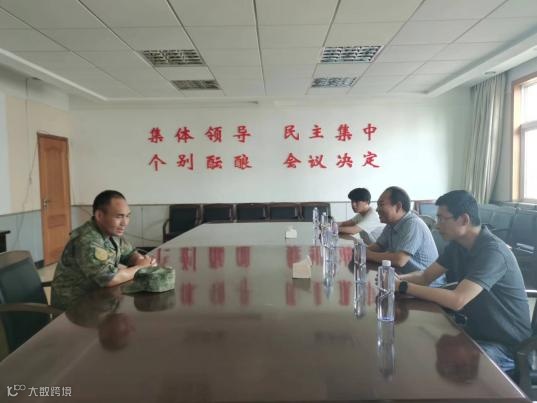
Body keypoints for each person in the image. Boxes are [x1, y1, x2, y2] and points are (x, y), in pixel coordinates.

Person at [395, 190, 531, 373]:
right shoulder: (457, 246)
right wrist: (395, 279)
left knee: (445, 364)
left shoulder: (493, 252)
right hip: (476, 331)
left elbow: (457, 300)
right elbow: (425, 277)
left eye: (442, 219)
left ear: (464, 220)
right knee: (418, 342)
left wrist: (403, 286)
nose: (437, 226)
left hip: (506, 346)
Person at [51, 190, 156, 310]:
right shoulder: (87, 240)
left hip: (97, 298)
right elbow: (108, 278)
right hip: (74, 307)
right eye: (119, 216)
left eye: (127, 216)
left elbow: (129, 254)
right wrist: (141, 267)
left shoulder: (111, 232)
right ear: (99, 216)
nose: (125, 223)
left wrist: (141, 260)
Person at [367, 186, 442, 286]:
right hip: (403, 278)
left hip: (427, 285)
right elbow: (379, 246)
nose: (377, 209)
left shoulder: (413, 224)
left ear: (398, 206)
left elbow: (399, 260)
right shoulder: (391, 224)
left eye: (381, 205)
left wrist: (366, 255)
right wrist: (358, 251)